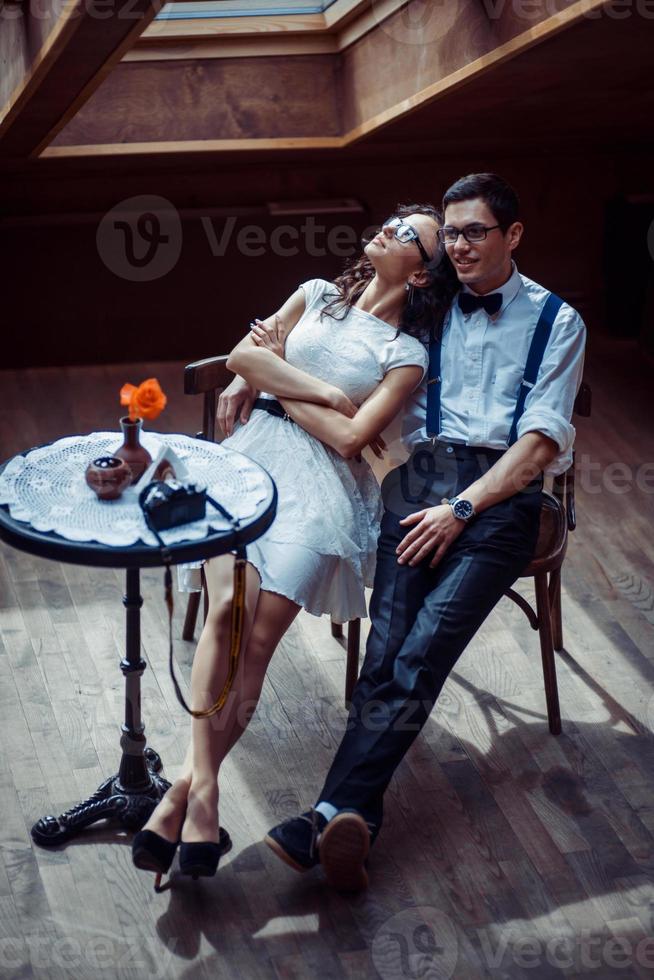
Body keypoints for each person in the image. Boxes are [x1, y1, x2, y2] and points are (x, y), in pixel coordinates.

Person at [264, 173, 587, 891]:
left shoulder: (556, 321)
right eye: (453, 234)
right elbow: (323, 344)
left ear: (514, 236)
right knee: (385, 653)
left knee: (421, 651)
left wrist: (462, 509)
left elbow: (538, 447)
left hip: (501, 503)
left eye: (477, 231)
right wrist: (245, 375)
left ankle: (327, 815)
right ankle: (353, 817)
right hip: (415, 488)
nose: (463, 246)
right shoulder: (425, 307)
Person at [131, 203, 459, 885]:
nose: (389, 229)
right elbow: (243, 357)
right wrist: (324, 392)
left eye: (408, 235)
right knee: (225, 614)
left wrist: (278, 377)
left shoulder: (407, 355)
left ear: (423, 276)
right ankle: (202, 800)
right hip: (249, 463)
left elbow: (348, 440)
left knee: (256, 642)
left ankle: (180, 793)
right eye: (395, 220)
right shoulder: (315, 294)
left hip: (324, 495)